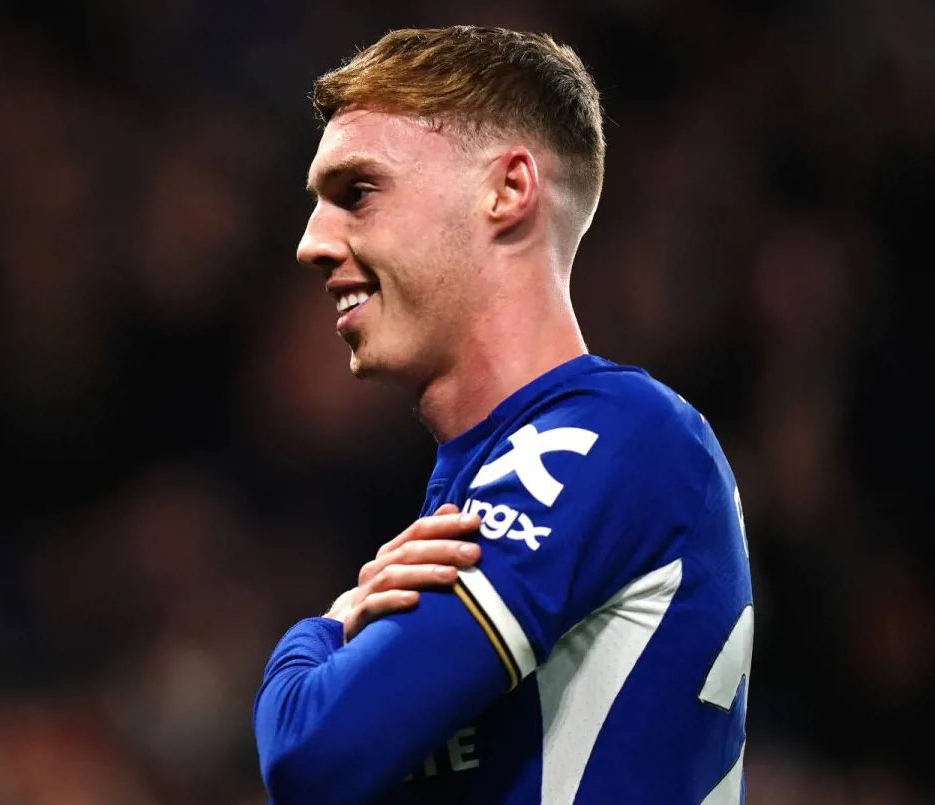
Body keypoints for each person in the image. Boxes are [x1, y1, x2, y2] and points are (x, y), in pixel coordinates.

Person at [252, 25, 753, 804]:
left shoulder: (612, 436)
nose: (312, 242)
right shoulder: (480, 480)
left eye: (358, 192)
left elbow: (309, 755)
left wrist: (322, 633)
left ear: (509, 189)